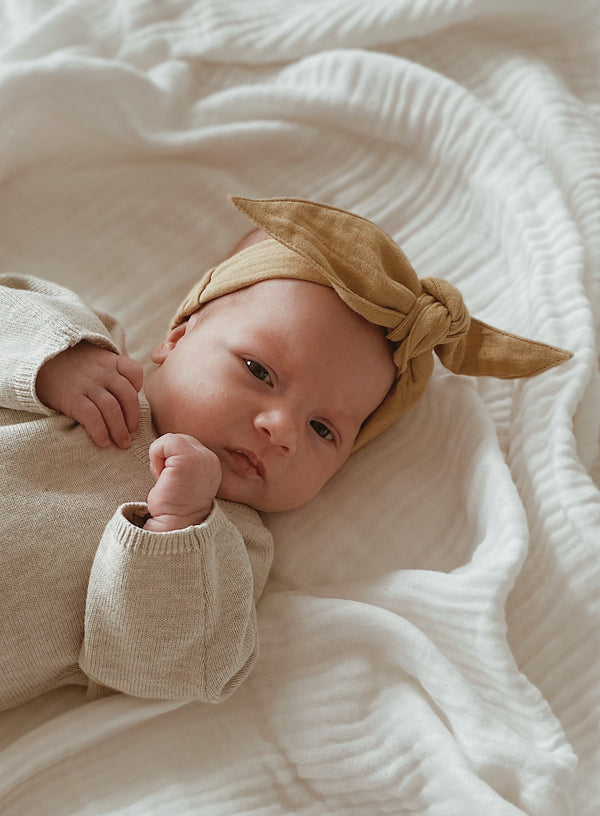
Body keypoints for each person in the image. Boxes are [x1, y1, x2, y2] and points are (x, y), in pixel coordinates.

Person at [0, 196, 571, 711]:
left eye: (324, 429)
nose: (282, 429)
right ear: (177, 338)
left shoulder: (229, 545)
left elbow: (158, 666)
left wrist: (177, 528)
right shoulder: (92, 360)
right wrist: (52, 359)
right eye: (259, 371)